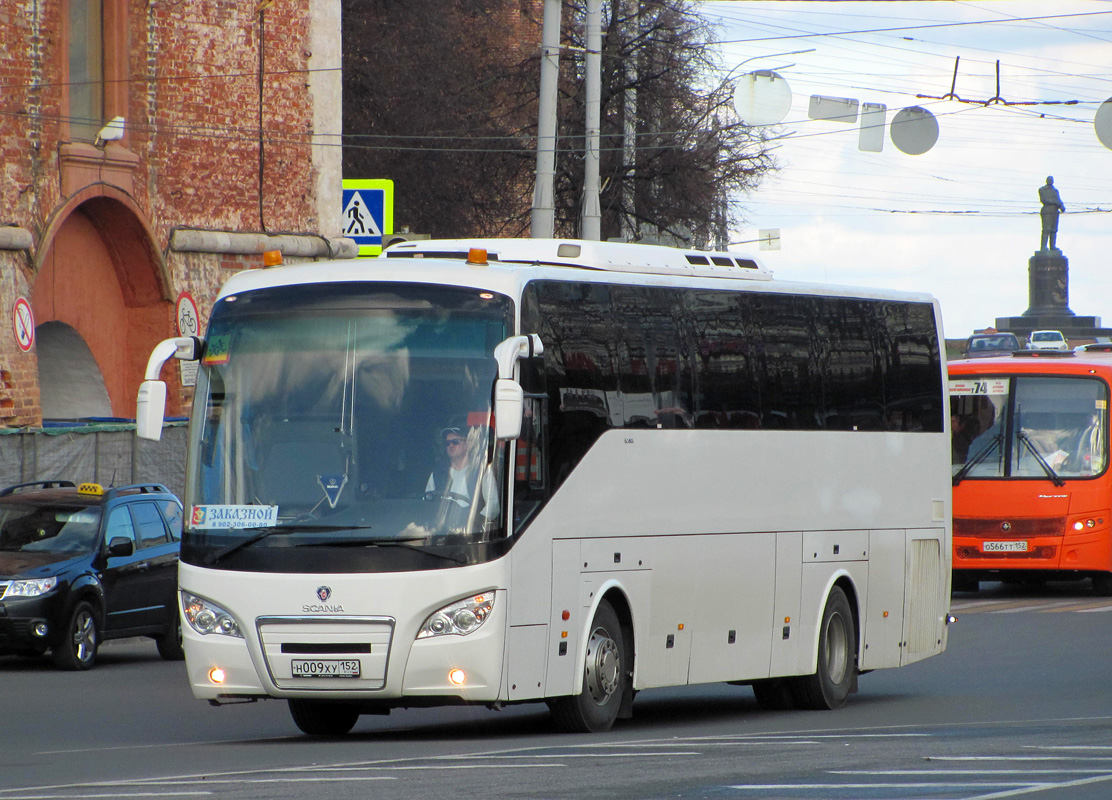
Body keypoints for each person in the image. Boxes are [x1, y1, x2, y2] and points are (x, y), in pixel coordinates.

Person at [424, 425, 500, 534]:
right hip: (441, 531)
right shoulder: (436, 474)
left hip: (471, 532)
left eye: (455, 442)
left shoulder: (482, 471)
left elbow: (493, 505)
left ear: (468, 444)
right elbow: (427, 503)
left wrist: (476, 524)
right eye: (447, 443)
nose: (450, 445)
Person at [1039, 176, 1065, 251]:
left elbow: (1058, 199)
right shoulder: (1042, 190)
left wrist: (1061, 206)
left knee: (1054, 230)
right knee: (1046, 229)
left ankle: (1052, 246)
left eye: (1051, 180)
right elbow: (1044, 199)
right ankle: (1043, 247)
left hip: (1055, 211)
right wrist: (1055, 201)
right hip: (1047, 210)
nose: (1050, 181)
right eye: (1048, 180)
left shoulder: (1055, 191)